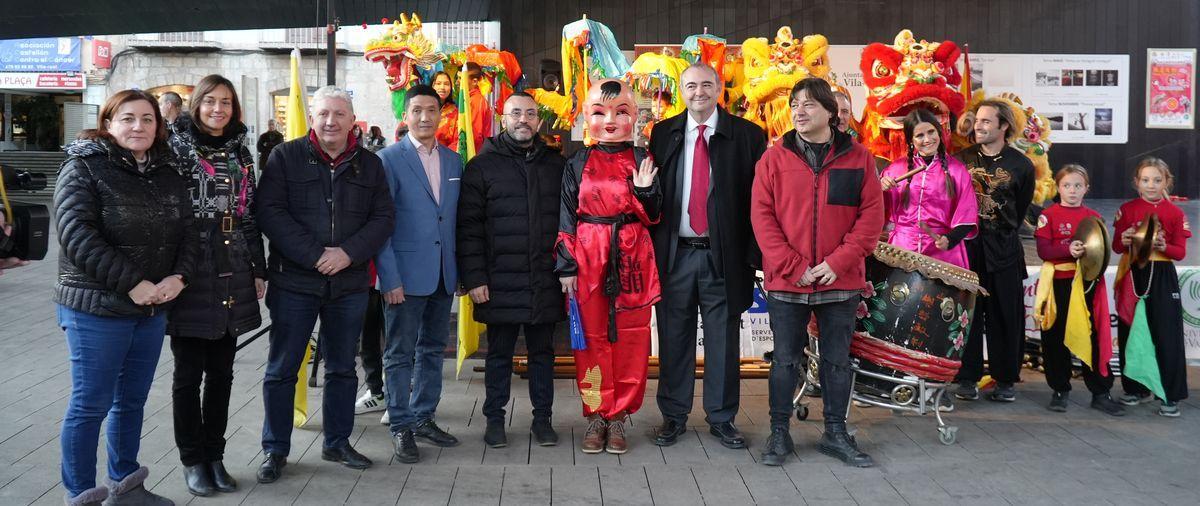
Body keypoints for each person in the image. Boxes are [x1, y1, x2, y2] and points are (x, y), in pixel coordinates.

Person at [54, 89, 198, 506]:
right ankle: (81, 495)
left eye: (147, 119)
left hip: (150, 309)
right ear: (108, 123)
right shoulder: (83, 166)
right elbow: (76, 235)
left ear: (159, 125)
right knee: (91, 404)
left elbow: (189, 231)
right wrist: (133, 284)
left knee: (131, 401)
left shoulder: (167, 169)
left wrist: (180, 277)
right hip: (97, 308)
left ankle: (126, 486)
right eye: (128, 118)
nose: (139, 127)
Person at [254, 86, 395, 482]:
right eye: (323, 114)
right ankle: (275, 449)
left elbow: (383, 218)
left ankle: (337, 442)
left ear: (352, 120)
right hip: (294, 281)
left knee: (342, 368)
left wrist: (347, 254)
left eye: (339, 114)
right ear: (312, 117)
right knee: (282, 368)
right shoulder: (285, 157)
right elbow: (270, 212)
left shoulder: (370, 165)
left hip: (349, 284)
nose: (331, 121)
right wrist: (316, 255)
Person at [751, 77, 884, 468]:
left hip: (839, 279)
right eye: (795, 104)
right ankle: (779, 433)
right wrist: (794, 265)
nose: (799, 111)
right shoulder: (773, 158)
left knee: (837, 361)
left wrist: (837, 263)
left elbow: (871, 217)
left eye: (808, 104)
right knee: (785, 360)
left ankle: (835, 433)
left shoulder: (859, 157)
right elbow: (761, 217)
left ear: (830, 111)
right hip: (788, 279)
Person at [647, 63, 767, 449]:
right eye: (690, 86)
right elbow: (653, 195)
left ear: (719, 89)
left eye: (705, 85)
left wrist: (753, 257)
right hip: (676, 257)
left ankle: (721, 418)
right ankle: (673, 416)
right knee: (674, 338)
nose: (698, 92)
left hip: (724, 258)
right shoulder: (663, 133)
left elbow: (759, 203)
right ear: (681, 90)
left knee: (723, 342)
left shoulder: (748, 136)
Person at [165, 74, 266, 497]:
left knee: (222, 373)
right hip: (191, 269)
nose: (218, 109)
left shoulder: (241, 151)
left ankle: (215, 455)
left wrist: (258, 268)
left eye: (225, 102)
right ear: (197, 105)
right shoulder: (174, 147)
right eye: (210, 101)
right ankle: (192, 459)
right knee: (188, 374)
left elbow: (249, 214)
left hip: (233, 268)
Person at [557, 79, 662, 455]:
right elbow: (566, 216)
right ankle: (597, 413)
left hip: (632, 256)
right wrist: (566, 265)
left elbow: (655, 215)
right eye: (600, 113)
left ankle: (619, 415)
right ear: (587, 117)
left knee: (632, 337)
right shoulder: (577, 162)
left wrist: (646, 190)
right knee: (590, 337)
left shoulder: (643, 159)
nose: (611, 121)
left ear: (635, 117)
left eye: (621, 112)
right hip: (588, 256)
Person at [457, 92, 566, 449]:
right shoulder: (481, 166)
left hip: (545, 278)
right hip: (498, 279)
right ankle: (494, 420)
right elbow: (469, 227)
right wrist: (475, 277)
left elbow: (568, 223)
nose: (523, 120)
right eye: (515, 113)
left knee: (543, 354)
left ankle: (543, 420)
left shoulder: (555, 164)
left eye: (530, 114)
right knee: (499, 355)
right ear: (503, 119)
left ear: (539, 120)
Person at [375, 85, 463, 464]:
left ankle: (424, 416)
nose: (425, 117)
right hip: (404, 277)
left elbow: (454, 220)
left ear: (441, 115)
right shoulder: (387, 160)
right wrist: (389, 278)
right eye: (417, 110)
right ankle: (401, 425)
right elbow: (381, 224)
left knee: (432, 349)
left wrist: (459, 271)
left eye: (431, 110)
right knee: (399, 353)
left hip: (443, 273)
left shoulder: (454, 161)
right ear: (405, 115)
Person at [952, 99, 1036, 402]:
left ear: (1004, 126)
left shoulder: (1021, 165)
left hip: (1004, 249)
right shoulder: (960, 159)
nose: (979, 126)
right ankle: (967, 377)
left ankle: (1005, 379)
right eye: (978, 120)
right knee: (967, 315)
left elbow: (1021, 208)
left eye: (987, 121)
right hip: (968, 249)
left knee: (1005, 316)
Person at [1031, 164, 1123, 416]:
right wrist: (1067, 250)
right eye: (1067, 185)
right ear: (1057, 188)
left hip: (1087, 284)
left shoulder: (1093, 217)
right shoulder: (1048, 215)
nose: (1072, 190)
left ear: (1086, 188)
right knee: (1055, 337)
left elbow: (1102, 252)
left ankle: (1101, 392)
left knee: (1093, 336)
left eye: (1078, 185)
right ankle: (1060, 389)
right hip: (1058, 285)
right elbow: (1044, 251)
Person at [1113, 157, 1190, 417]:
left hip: (1162, 275)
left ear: (1167, 182)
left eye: (1157, 180)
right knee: (1130, 330)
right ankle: (1135, 388)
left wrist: (1164, 246)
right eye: (1145, 180)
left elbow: (1180, 252)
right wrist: (1125, 240)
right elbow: (1116, 246)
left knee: (1166, 334)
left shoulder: (1175, 213)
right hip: (1134, 272)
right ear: (1136, 182)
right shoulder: (1127, 209)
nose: (1151, 185)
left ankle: (1170, 395)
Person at [879, 108, 978, 268]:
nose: (927, 139)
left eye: (931, 132)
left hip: (943, 253)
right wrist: (879, 189)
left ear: (939, 132)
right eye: (919, 135)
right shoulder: (894, 169)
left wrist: (950, 239)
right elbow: (876, 211)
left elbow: (967, 214)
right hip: (902, 250)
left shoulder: (957, 170)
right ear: (911, 140)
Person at [432, 70, 460, 151]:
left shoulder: (455, 112)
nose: (442, 87)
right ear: (432, 86)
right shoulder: (422, 108)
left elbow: (457, 141)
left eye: (446, 84)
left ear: (451, 88)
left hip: (445, 155)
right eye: (438, 83)